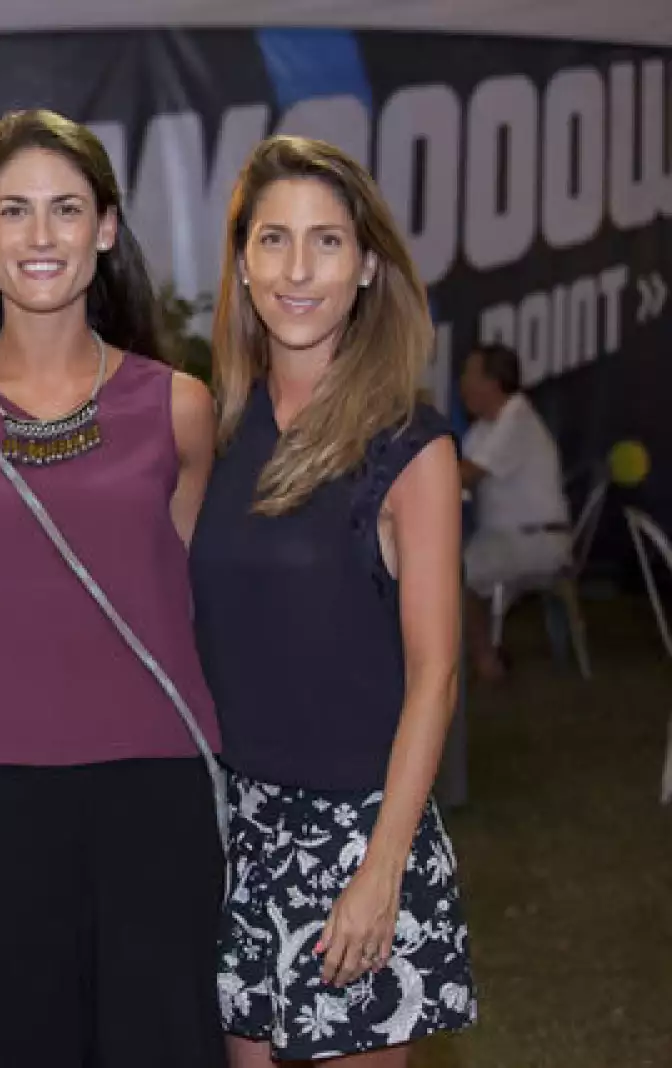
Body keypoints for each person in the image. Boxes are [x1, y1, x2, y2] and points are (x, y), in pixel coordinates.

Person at [0, 109, 226, 1068]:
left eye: (65, 210)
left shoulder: (179, 405)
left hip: (154, 789)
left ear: (107, 230)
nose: (40, 237)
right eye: (14, 211)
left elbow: (192, 590)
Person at [190, 135, 476, 1066]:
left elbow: (435, 676)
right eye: (274, 240)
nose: (299, 269)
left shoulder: (409, 449)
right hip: (242, 830)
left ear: (366, 269)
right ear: (242, 262)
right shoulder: (224, 433)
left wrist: (380, 870)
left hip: (358, 836)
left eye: (327, 242)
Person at [457, 341, 571, 681]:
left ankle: (486, 665)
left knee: (451, 574)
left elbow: (463, 474)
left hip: (536, 542)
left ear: (492, 384)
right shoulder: (483, 429)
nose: (462, 384)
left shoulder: (516, 418)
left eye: (469, 375)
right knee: (438, 565)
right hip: (505, 539)